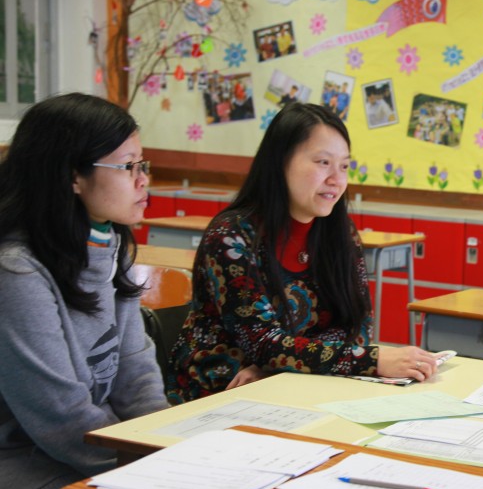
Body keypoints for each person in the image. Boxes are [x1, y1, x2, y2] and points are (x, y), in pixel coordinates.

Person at [168, 103, 437, 402]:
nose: (336, 179)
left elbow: (356, 327)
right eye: (323, 162)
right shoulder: (231, 237)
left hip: (296, 387)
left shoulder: (340, 233)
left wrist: (283, 363)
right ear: (280, 162)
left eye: (344, 166)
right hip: (220, 393)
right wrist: (371, 360)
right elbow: (263, 344)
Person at [0, 93, 169, 489]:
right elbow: (60, 416)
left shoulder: (110, 249)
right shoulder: (17, 272)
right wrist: (152, 471)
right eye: (128, 166)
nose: (143, 180)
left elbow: (136, 377)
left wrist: (167, 449)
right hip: (23, 477)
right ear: (73, 176)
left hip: (85, 457)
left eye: (143, 164)